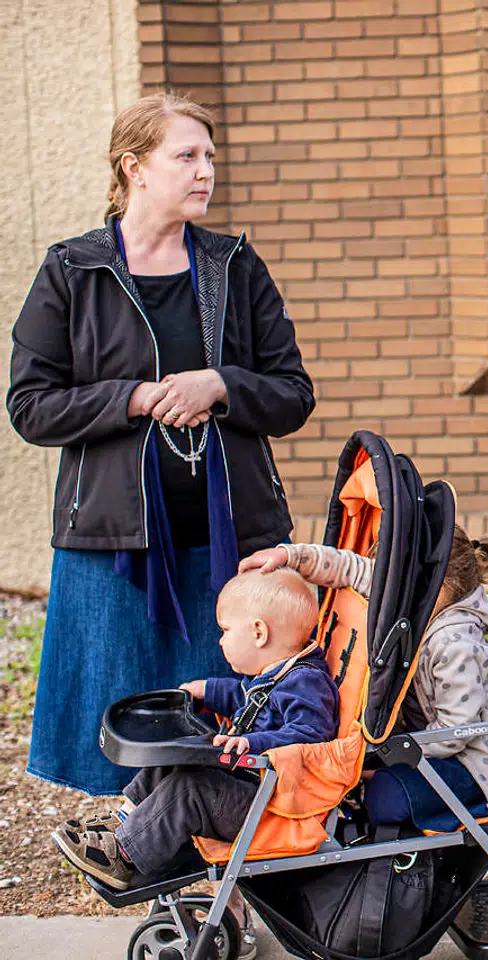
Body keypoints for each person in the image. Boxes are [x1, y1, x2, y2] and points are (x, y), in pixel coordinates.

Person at [7, 92, 315, 798]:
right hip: (109, 543)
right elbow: (30, 405)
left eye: (209, 156)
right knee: (116, 724)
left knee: (233, 722)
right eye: (186, 156)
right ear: (134, 167)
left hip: (229, 540)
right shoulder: (72, 271)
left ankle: (217, 867)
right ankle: (136, 847)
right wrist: (133, 397)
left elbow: (293, 394)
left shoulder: (234, 266)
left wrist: (220, 384)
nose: (205, 170)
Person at [240, 526, 488, 830]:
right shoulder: (413, 596)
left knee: (383, 795)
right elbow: (349, 568)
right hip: (431, 747)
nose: (386, 590)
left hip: (482, 771)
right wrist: (290, 556)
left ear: (435, 585)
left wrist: (389, 758)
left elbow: (455, 733)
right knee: (359, 780)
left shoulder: (455, 643)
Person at [52, 569, 336, 889]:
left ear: (259, 632)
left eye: (225, 630)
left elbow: (312, 736)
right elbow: (248, 698)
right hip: (249, 789)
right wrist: (209, 691)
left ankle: (123, 855)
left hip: (270, 809)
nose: (220, 640)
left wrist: (252, 742)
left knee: (190, 789)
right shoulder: (275, 673)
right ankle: (125, 821)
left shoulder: (307, 681)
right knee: (179, 757)